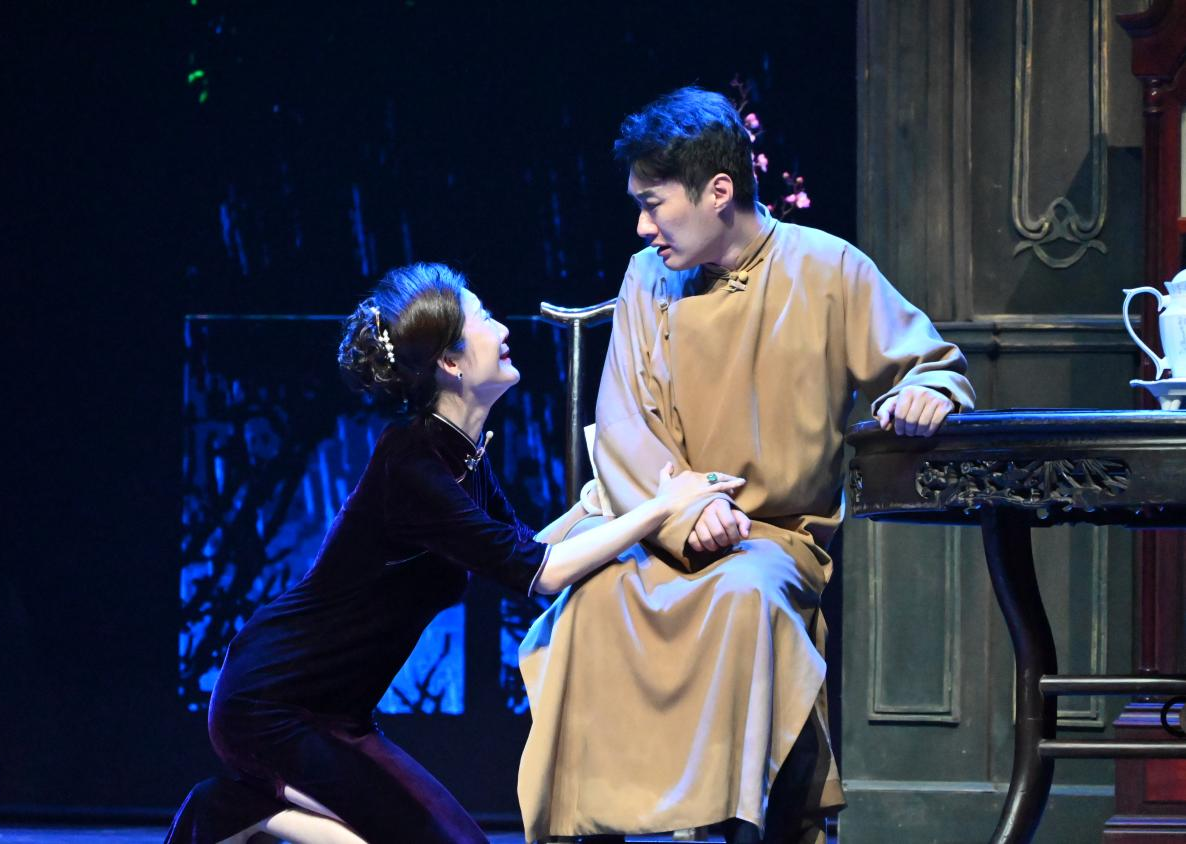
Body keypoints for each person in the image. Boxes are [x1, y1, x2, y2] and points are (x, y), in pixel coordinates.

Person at [517, 88, 976, 844]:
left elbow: (926, 361)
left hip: (772, 538)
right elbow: (626, 426)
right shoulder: (646, 276)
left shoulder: (827, 267)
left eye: (654, 205)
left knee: (744, 597)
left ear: (718, 192)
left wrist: (925, 390)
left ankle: (744, 825)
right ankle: (584, 828)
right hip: (655, 526)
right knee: (591, 601)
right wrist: (687, 512)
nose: (642, 227)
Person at [163, 262, 746, 844]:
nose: (503, 328)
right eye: (484, 318)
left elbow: (524, 551)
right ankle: (231, 810)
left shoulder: (461, 455)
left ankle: (233, 806)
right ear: (450, 362)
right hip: (270, 707)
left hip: (337, 715)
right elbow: (541, 574)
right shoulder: (411, 464)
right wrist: (662, 508)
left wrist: (594, 507)